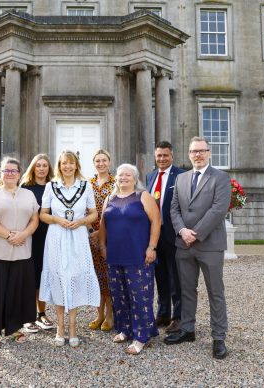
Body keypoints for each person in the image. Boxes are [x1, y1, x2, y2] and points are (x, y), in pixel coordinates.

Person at [167, 136, 231, 360]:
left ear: (209, 153)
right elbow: (174, 209)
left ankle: (219, 337)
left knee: (215, 291)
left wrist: (196, 234)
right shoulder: (182, 178)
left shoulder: (221, 178)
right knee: (186, 290)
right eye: (194, 151)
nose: (198, 155)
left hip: (209, 244)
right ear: (189, 154)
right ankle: (187, 329)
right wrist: (182, 231)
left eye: (202, 151)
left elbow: (218, 210)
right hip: (183, 244)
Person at [39, 150, 100, 347]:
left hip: (77, 237)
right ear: (59, 166)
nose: (67, 166)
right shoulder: (51, 186)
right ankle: (60, 327)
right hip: (56, 236)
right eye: (64, 163)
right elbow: (43, 215)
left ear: (76, 165)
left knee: (74, 276)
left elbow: (94, 214)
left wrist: (81, 221)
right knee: (58, 277)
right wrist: (57, 219)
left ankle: (73, 327)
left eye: (71, 163)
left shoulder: (86, 186)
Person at [99, 164, 161, 355]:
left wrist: (152, 247)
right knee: (119, 295)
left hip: (138, 256)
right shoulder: (110, 198)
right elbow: (103, 225)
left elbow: (156, 221)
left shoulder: (143, 196)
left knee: (140, 297)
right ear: (115, 178)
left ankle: (142, 336)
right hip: (115, 255)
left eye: (128, 175)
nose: (123, 178)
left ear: (135, 179)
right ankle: (125, 329)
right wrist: (102, 246)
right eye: (120, 175)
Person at [0, 157, 40, 348]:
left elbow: (35, 220)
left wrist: (23, 235)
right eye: (6, 170)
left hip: (23, 247)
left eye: (13, 170)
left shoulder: (29, 194)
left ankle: (14, 328)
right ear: (1, 173)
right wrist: (9, 236)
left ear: (19, 173)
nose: (10, 174)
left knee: (18, 287)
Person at [145, 141, 185, 333]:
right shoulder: (150, 176)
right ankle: (163, 313)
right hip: (154, 235)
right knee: (159, 275)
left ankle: (178, 317)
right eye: (159, 155)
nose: (162, 159)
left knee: (175, 276)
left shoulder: (181, 176)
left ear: (172, 156)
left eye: (165, 155)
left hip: (173, 234)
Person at [19, 154, 55, 333]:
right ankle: (27, 315)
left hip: (49, 237)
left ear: (49, 169)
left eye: (45, 166)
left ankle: (41, 313)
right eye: (38, 165)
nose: (41, 168)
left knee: (42, 276)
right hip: (30, 237)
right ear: (33, 168)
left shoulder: (54, 187)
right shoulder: (25, 188)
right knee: (29, 276)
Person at [87, 149, 115, 332]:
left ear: (109, 162)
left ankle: (111, 315)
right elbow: (83, 209)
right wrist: (92, 231)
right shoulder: (88, 184)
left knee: (109, 275)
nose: (101, 164)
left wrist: (102, 232)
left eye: (104, 160)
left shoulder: (116, 183)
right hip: (91, 236)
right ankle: (99, 314)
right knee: (96, 276)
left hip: (111, 235)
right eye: (97, 161)